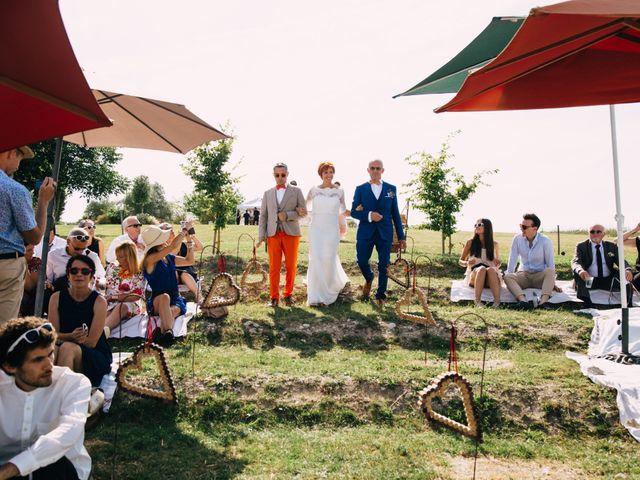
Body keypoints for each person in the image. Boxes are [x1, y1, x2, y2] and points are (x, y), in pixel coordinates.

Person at [0, 317, 92, 480]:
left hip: (59, 472)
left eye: (50, 354)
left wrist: (10, 469)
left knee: (54, 465)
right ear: (10, 366)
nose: (49, 365)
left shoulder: (73, 383)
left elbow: (68, 432)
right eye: (37, 360)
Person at [0, 146, 56, 323]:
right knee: (3, 326)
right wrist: (43, 201)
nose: (18, 164)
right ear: (11, 152)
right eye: (20, 157)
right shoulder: (14, 189)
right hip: (6, 264)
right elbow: (35, 236)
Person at [48, 255, 112, 388]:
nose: (79, 275)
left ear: (92, 276)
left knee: (67, 348)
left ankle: (61, 394)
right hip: (65, 345)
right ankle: (46, 391)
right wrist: (70, 336)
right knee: (51, 349)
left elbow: (92, 342)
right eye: (74, 271)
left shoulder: (99, 301)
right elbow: (52, 335)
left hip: (94, 354)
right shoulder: (56, 298)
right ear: (68, 275)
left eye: (85, 271)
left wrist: (67, 339)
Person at [350, 159, 406, 307]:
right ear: (368, 170)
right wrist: (369, 215)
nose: (375, 171)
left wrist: (401, 237)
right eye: (372, 168)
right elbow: (354, 212)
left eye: (378, 168)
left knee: (384, 265)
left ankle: (380, 295)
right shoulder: (360, 189)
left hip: (385, 233)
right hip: (365, 233)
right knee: (361, 261)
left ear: (382, 170)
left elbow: (395, 214)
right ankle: (369, 278)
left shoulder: (391, 189)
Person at [257, 162, 306, 307]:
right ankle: (274, 297)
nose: (280, 178)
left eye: (283, 175)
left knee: (291, 266)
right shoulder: (267, 193)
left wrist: (288, 215)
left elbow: (303, 212)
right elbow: (263, 216)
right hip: (273, 234)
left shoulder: (296, 191)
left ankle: (288, 295)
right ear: (274, 175)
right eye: (277, 175)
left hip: (291, 234)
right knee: (273, 268)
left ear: (287, 174)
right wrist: (261, 236)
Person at [141, 223, 195, 345]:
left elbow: (189, 261)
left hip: (175, 299)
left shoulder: (168, 257)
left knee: (172, 311)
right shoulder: (150, 259)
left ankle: (162, 332)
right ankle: (169, 332)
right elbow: (173, 245)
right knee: (165, 297)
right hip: (158, 300)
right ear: (159, 242)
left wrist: (189, 240)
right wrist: (184, 231)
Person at [305, 162, 349, 306]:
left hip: (331, 228)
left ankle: (328, 290)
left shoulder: (339, 191)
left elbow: (343, 210)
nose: (329, 175)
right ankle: (315, 295)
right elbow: (304, 207)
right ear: (321, 174)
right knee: (316, 257)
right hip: (316, 228)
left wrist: (351, 215)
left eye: (331, 172)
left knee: (328, 258)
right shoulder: (314, 190)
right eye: (326, 172)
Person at [572, 224, 632, 307]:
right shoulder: (581, 246)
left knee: (624, 274)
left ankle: (628, 302)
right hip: (589, 280)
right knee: (577, 272)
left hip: (608, 280)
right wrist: (580, 270)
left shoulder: (611, 246)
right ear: (588, 233)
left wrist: (627, 269)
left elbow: (621, 261)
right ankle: (587, 302)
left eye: (598, 232)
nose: (595, 234)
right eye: (592, 232)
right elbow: (576, 261)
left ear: (603, 234)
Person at [504, 213, 557, 309]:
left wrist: (552, 282)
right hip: (524, 275)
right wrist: (509, 278)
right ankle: (523, 302)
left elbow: (550, 264)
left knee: (550, 271)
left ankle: (543, 303)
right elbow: (513, 258)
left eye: (524, 227)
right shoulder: (517, 238)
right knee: (507, 276)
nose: (521, 229)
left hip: (539, 276)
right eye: (521, 226)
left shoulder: (545, 241)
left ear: (535, 228)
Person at [459, 219, 502, 307]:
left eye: (480, 224)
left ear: (487, 227)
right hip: (475, 274)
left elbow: (498, 264)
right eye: (476, 225)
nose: (477, 226)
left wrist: (498, 262)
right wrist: (467, 263)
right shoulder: (470, 242)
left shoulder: (495, 244)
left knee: (490, 269)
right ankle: (477, 301)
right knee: (481, 269)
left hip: (490, 276)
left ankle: (497, 302)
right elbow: (460, 261)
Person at [105, 242, 146, 329]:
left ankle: (101, 333)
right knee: (104, 313)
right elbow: (105, 284)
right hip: (109, 302)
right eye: (117, 256)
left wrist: (114, 297)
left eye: (120, 256)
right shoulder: (112, 267)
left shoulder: (138, 272)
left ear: (129, 257)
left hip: (129, 304)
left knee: (121, 307)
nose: (117, 258)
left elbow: (136, 296)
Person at [20, 244, 41, 316]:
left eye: (33, 249)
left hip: (29, 296)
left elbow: (31, 287)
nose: (33, 252)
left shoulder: (35, 261)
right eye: (29, 250)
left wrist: (23, 264)